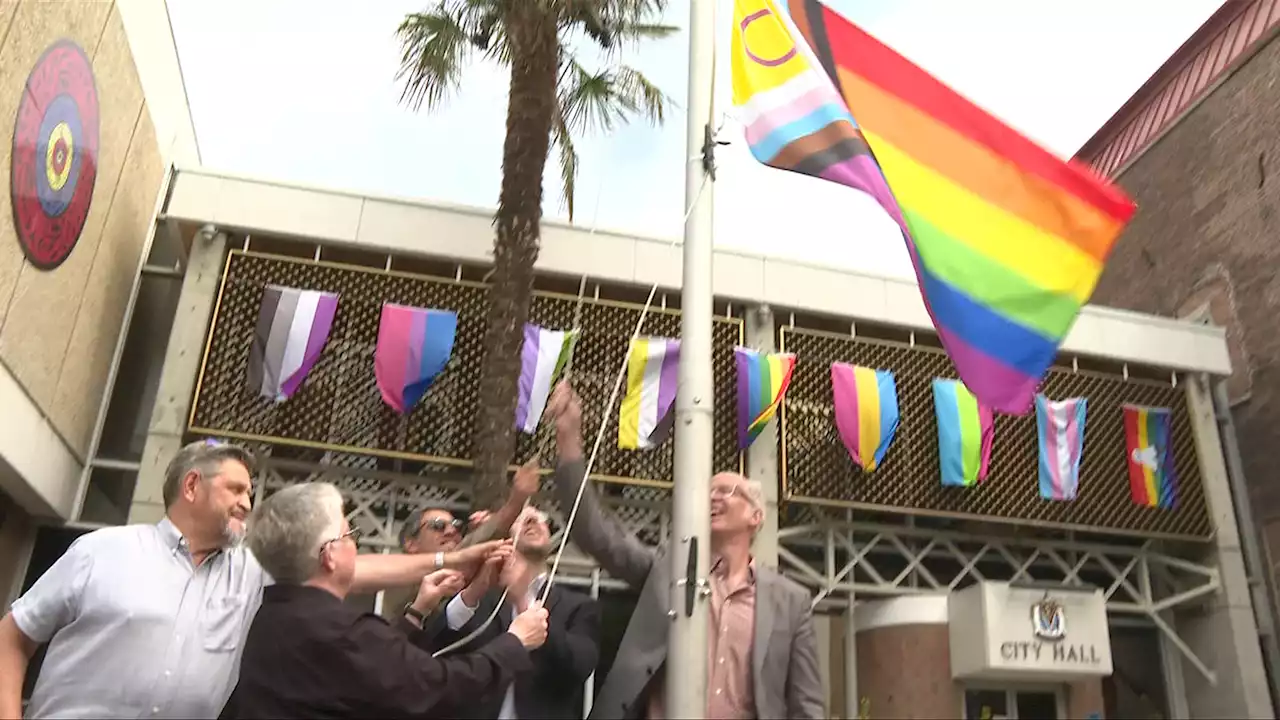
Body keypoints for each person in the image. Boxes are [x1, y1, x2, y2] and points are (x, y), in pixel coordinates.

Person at [0, 440, 501, 719]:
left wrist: (450, 562)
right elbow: (13, 636)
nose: (247, 501)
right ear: (192, 485)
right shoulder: (101, 551)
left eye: (251, 491)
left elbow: (357, 568)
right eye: (237, 488)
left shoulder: (252, 569)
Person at [544, 382, 825, 720]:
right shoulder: (667, 571)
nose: (714, 497)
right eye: (708, 492)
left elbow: (807, 705)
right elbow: (595, 533)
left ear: (756, 516)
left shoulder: (791, 602)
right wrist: (569, 440)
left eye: (728, 491)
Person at [219, 482, 549, 719]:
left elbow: (369, 668)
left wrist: (417, 612)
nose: (356, 545)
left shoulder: (273, 615)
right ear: (330, 555)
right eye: (350, 535)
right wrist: (516, 641)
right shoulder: (341, 631)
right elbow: (438, 688)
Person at [427, 506, 600, 719]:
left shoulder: (578, 605)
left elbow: (579, 666)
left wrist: (522, 599)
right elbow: (435, 647)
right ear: (507, 538)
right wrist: (472, 593)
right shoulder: (483, 599)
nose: (531, 521)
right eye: (521, 519)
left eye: (540, 518)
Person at [387, 458, 541, 635]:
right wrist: (516, 500)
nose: (451, 530)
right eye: (438, 525)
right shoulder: (398, 577)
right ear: (411, 543)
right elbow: (460, 556)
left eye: (457, 525)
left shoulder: (468, 572)